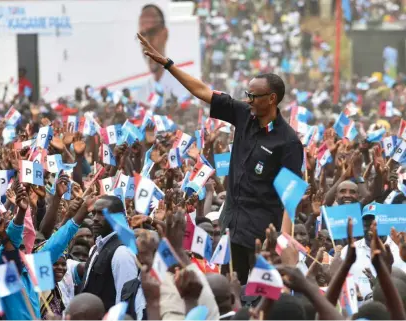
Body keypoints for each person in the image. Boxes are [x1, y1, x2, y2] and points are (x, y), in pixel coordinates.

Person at [137, 33, 304, 284]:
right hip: (231, 227)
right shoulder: (243, 114)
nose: (247, 100)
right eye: (247, 94)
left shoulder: (288, 141)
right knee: (230, 290)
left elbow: (290, 197)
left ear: (271, 99)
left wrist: (284, 242)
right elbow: (202, 91)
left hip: (261, 235)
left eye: (253, 96)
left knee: (259, 296)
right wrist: (168, 64)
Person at [80, 195, 146, 319]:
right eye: (94, 213)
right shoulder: (96, 248)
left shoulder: (122, 252)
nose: (95, 219)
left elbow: (124, 302)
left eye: (102, 214)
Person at [136, 4, 189, 102]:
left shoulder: (182, 87)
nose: (146, 42)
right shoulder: (141, 94)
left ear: (165, 34)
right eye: (142, 35)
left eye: (152, 32)